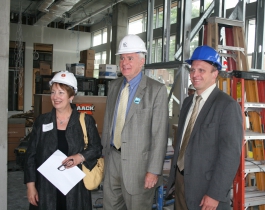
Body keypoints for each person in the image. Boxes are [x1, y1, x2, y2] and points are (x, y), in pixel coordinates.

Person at [166, 45, 243, 210]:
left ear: (215, 74)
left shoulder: (227, 106)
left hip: (206, 189)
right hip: (181, 182)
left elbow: (230, 155)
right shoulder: (188, 102)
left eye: (201, 70)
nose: (195, 75)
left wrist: (215, 194)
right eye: (192, 70)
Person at [101, 34, 169, 210]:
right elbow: (108, 122)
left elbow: (159, 134)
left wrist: (153, 171)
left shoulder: (156, 90)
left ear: (142, 60)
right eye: (122, 58)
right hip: (113, 161)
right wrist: (104, 156)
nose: (125, 63)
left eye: (130, 58)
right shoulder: (114, 86)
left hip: (139, 168)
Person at [24, 71, 102, 210]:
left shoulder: (85, 121)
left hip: (75, 188)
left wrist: (80, 157)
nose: (55, 97)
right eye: (53, 92)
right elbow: (30, 156)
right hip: (45, 188)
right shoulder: (42, 121)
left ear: (71, 96)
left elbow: (96, 148)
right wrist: (31, 186)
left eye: (61, 93)